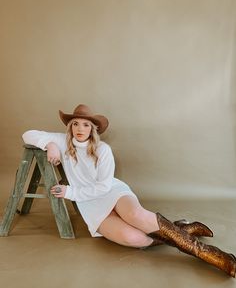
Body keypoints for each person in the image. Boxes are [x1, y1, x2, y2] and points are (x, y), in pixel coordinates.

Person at [22, 104, 236, 277]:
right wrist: (49, 144)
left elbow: (103, 186)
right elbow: (28, 134)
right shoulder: (61, 141)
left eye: (86, 125)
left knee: (136, 215)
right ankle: (182, 228)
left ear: (93, 129)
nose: (80, 128)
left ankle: (214, 256)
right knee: (136, 240)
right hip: (90, 204)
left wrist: (71, 193)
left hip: (111, 192)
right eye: (75, 124)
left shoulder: (103, 150)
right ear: (69, 127)